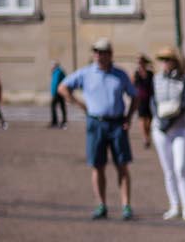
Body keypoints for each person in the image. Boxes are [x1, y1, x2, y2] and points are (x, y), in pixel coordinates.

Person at [61, 38, 137, 220]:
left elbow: (135, 96)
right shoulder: (86, 73)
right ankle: (101, 204)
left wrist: (129, 116)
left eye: (103, 52)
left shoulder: (120, 74)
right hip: (96, 123)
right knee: (97, 165)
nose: (99, 55)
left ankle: (126, 205)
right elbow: (62, 88)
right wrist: (79, 104)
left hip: (117, 123)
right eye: (96, 52)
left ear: (110, 54)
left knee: (122, 165)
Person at [149, 45, 185, 221]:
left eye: (168, 60)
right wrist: (159, 120)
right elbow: (152, 101)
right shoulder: (156, 79)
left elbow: (184, 104)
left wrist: (169, 122)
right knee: (168, 169)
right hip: (160, 128)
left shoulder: (184, 80)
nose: (165, 63)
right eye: (163, 60)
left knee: (180, 167)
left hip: (180, 127)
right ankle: (174, 204)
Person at [132, 55, 155, 148]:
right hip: (140, 99)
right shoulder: (136, 74)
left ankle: (148, 134)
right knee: (142, 119)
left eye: (141, 62)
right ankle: (145, 138)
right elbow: (132, 85)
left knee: (149, 120)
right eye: (138, 62)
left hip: (149, 99)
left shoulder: (150, 74)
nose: (140, 64)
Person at [47, 59, 67, 128]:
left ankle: (55, 122)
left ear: (55, 65)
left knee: (53, 106)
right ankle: (64, 121)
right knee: (62, 106)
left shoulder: (58, 72)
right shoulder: (57, 71)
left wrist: (54, 93)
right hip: (60, 91)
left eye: (52, 65)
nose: (51, 66)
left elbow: (55, 83)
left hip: (58, 92)